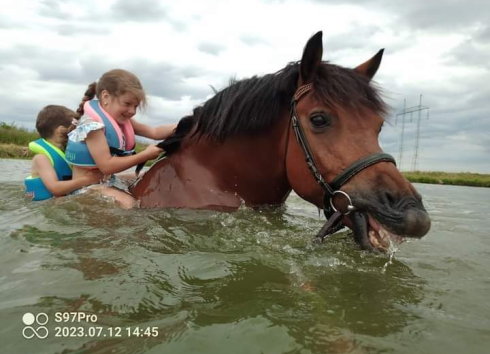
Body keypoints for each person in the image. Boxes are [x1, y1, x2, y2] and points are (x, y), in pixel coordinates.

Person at [65, 69, 177, 208]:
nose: (132, 111)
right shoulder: (91, 127)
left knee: (149, 176)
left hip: (109, 181)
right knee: (129, 204)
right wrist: (144, 155)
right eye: (127, 104)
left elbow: (154, 132)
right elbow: (106, 166)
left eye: (135, 106)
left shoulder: (124, 122)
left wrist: (187, 124)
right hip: (85, 188)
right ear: (105, 97)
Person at [25, 105, 102, 201]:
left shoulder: (68, 154)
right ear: (60, 131)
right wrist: (88, 179)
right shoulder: (41, 158)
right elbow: (55, 188)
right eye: (74, 130)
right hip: (46, 205)